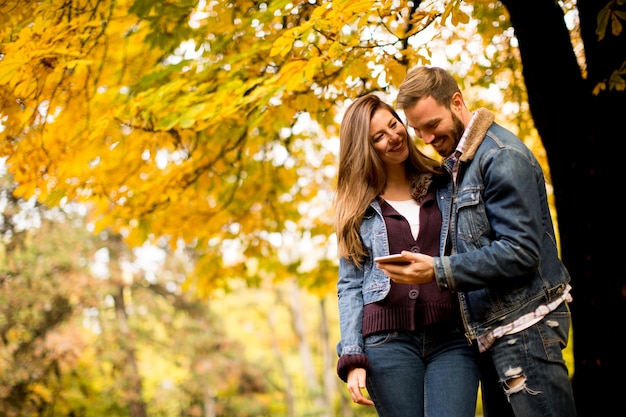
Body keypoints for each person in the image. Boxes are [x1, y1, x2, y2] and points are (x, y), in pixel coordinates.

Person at [387, 65, 577, 417]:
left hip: (525, 329)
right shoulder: (461, 165)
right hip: (493, 335)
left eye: (432, 125)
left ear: (457, 103)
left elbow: (520, 252)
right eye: (417, 130)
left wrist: (437, 271)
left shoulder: (500, 155)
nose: (426, 139)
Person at [333, 93, 479, 417]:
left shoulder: (443, 182)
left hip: (451, 336)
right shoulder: (357, 208)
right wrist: (353, 357)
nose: (393, 137)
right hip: (386, 344)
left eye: (393, 125)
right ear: (365, 149)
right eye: (378, 137)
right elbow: (350, 286)